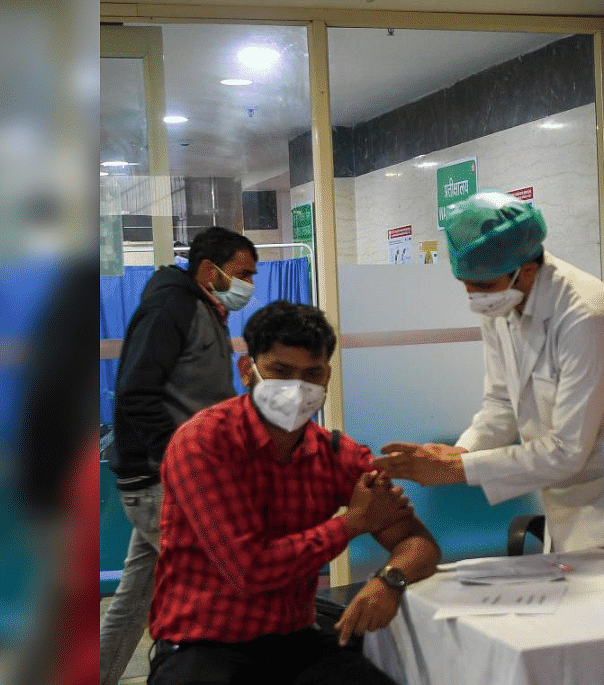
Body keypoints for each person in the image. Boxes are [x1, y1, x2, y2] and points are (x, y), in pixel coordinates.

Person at [147, 300, 440, 685]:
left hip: (295, 640)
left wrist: (389, 581)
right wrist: (352, 523)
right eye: (280, 371)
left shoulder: (336, 453)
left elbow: (419, 543)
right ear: (247, 371)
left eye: (311, 374)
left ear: (327, 377)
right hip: (204, 643)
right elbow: (249, 570)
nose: (296, 389)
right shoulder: (205, 442)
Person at [374, 191, 604, 552]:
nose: (474, 297)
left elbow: (567, 451)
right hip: (563, 507)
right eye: (466, 285)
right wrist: (459, 454)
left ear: (528, 270)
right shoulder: (503, 304)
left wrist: (459, 471)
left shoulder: (588, 316)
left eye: (484, 286)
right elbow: (502, 403)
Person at [101, 225, 259, 685]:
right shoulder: (172, 306)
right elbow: (135, 393)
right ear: (210, 271)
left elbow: (196, 398)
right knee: (228, 584)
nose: (248, 284)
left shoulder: (204, 309)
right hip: (161, 483)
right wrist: (181, 463)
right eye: (242, 273)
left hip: (168, 479)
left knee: (132, 601)